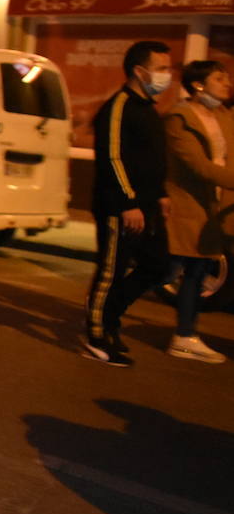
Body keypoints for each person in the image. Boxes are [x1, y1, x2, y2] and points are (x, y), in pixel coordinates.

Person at [83, 40, 174, 367]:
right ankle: (96, 335)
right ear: (139, 71)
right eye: (161, 68)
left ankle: (111, 318)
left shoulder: (148, 108)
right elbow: (112, 158)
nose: (167, 75)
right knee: (111, 270)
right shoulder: (118, 107)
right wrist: (127, 202)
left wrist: (160, 194)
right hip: (119, 208)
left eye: (168, 68)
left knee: (158, 265)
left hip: (146, 206)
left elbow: (152, 159)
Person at [162, 59, 234, 364]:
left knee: (197, 269)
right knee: (182, 270)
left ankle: (186, 334)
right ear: (198, 84)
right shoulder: (180, 117)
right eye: (220, 78)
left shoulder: (222, 115)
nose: (227, 83)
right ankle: (183, 336)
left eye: (227, 78)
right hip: (188, 202)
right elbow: (198, 165)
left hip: (216, 203)